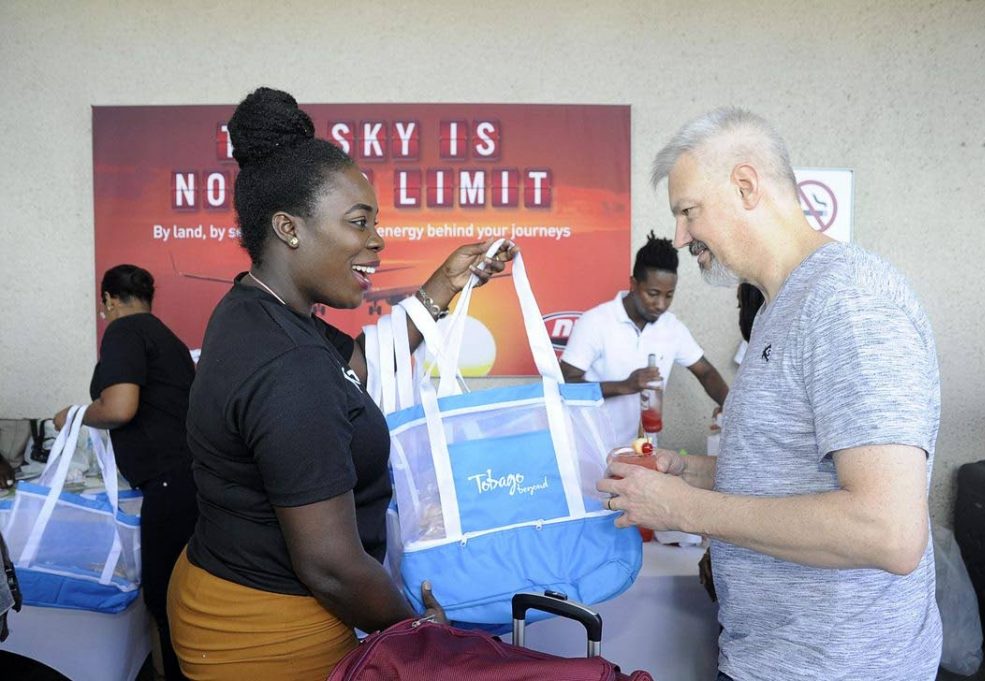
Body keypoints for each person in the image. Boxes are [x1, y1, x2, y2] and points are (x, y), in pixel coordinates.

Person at [166, 87, 514, 680]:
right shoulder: (289, 365)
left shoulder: (255, 308)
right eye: (359, 222)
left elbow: (354, 370)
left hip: (216, 585)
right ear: (288, 228)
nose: (378, 240)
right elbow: (330, 564)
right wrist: (418, 630)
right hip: (268, 638)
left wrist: (443, 286)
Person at [598, 108, 941, 681]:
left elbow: (889, 531)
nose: (681, 237)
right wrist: (684, 470)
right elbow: (790, 471)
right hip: (772, 657)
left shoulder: (850, 302)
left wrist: (684, 508)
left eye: (688, 212)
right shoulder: (781, 308)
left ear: (745, 186)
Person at [54, 264, 197, 681]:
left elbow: (119, 408)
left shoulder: (123, 331)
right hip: (192, 481)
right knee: (184, 597)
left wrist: (74, 415)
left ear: (109, 301)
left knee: (164, 602)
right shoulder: (167, 339)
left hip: (170, 485)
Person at [559, 231, 728, 447]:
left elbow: (706, 373)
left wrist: (733, 409)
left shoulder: (671, 327)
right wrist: (625, 386)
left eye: (669, 295)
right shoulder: (595, 322)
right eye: (653, 293)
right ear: (633, 284)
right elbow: (567, 385)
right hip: (594, 449)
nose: (661, 304)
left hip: (644, 449)